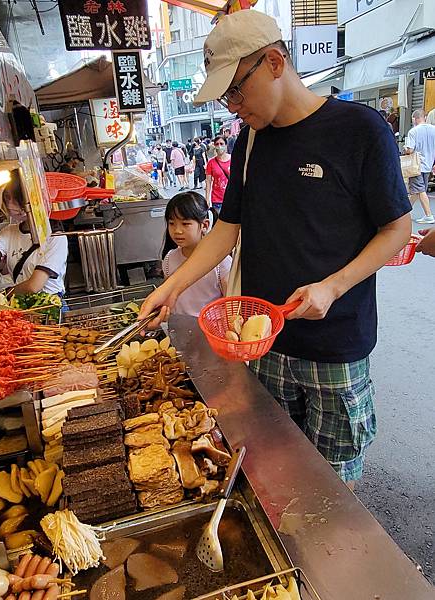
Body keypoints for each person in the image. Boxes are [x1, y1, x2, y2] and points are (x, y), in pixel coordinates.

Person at [138, 10, 412, 489]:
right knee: (273, 475)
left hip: (335, 348)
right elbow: (226, 229)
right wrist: (171, 286)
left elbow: (397, 228)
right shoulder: (250, 142)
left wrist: (333, 286)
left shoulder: (360, 130)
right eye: (225, 96)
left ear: (274, 61)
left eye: (236, 90)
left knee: (332, 488)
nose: (232, 107)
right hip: (262, 345)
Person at [0, 171, 68, 297]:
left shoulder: (56, 237)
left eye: (19, 198)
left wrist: (2, 295)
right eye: (7, 197)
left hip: (48, 305)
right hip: (20, 303)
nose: (11, 205)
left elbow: (34, 286)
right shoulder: (9, 231)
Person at [162, 191, 231, 317]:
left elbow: (231, 304)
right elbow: (168, 296)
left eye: (185, 224)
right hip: (180, 327)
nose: (177, 230)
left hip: (212, 330)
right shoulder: (169, 259)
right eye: (172, 223)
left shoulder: (221, 263)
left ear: (204, 225)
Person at [404, 109, 435, 224]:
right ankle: (405, 211)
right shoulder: (434, 130)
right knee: (417, 191)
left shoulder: (413, 131)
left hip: (416, 166)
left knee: (420, 190)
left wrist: (405, 149)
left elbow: (410, 150)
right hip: (428, 164)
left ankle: (428, 215)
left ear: (415, 118)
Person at [205, 135, 231, 211]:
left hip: (232, 198)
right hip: (217, 199)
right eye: (217, 144)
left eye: (221, 144)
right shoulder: (211, 163)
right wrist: (207, 199)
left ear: (226, 145)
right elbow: (208, 181)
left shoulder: (233, 160)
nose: (219, 146)